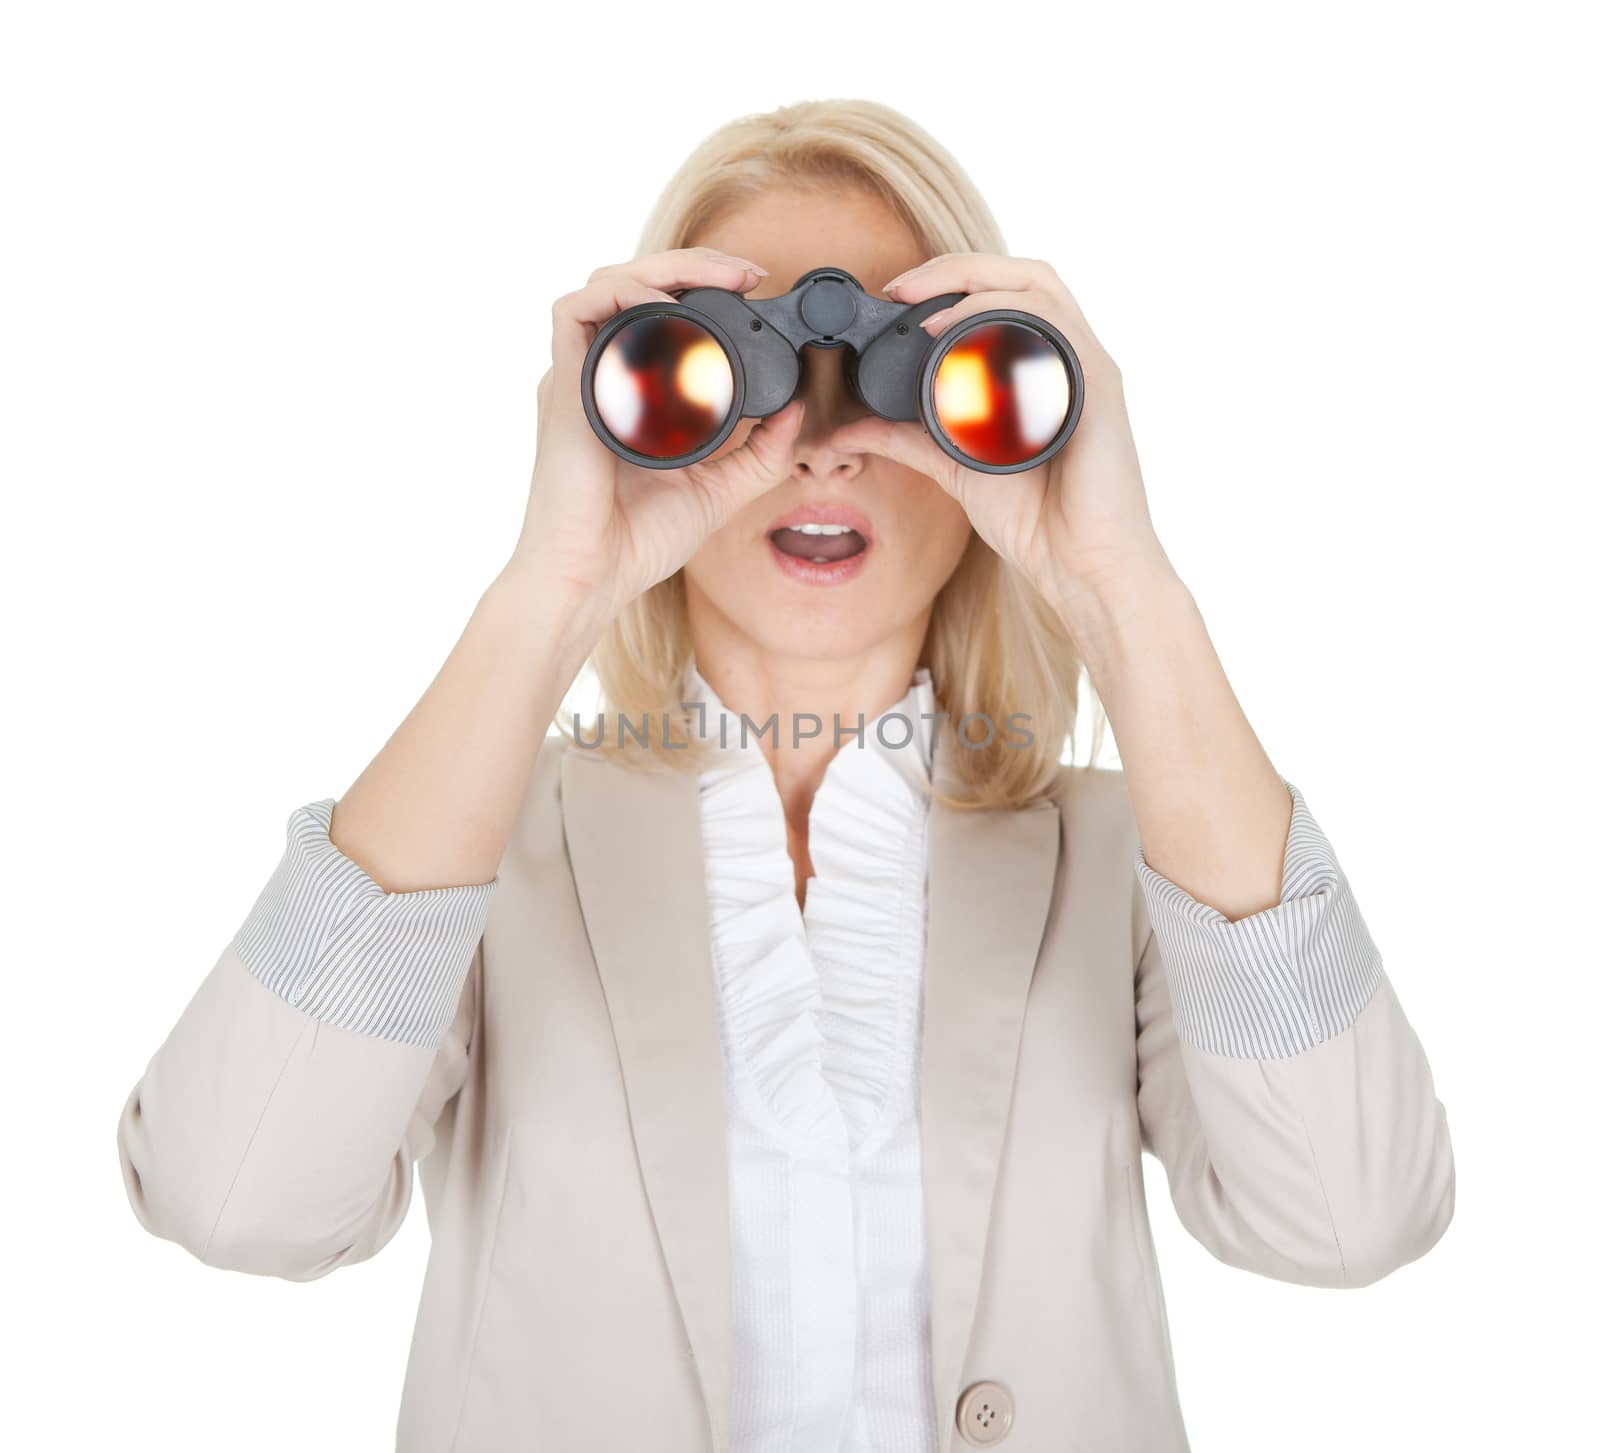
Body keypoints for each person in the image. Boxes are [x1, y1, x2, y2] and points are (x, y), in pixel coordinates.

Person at [116, 98, 1455, 1453]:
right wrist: (552, 585)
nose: (819, 442)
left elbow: (1348, 1213)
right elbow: (238, 1194)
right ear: (644, 400)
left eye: (895, 368)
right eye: (743, 372)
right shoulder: (478, 860)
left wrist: (1122, 582)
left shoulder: (1138, 855)